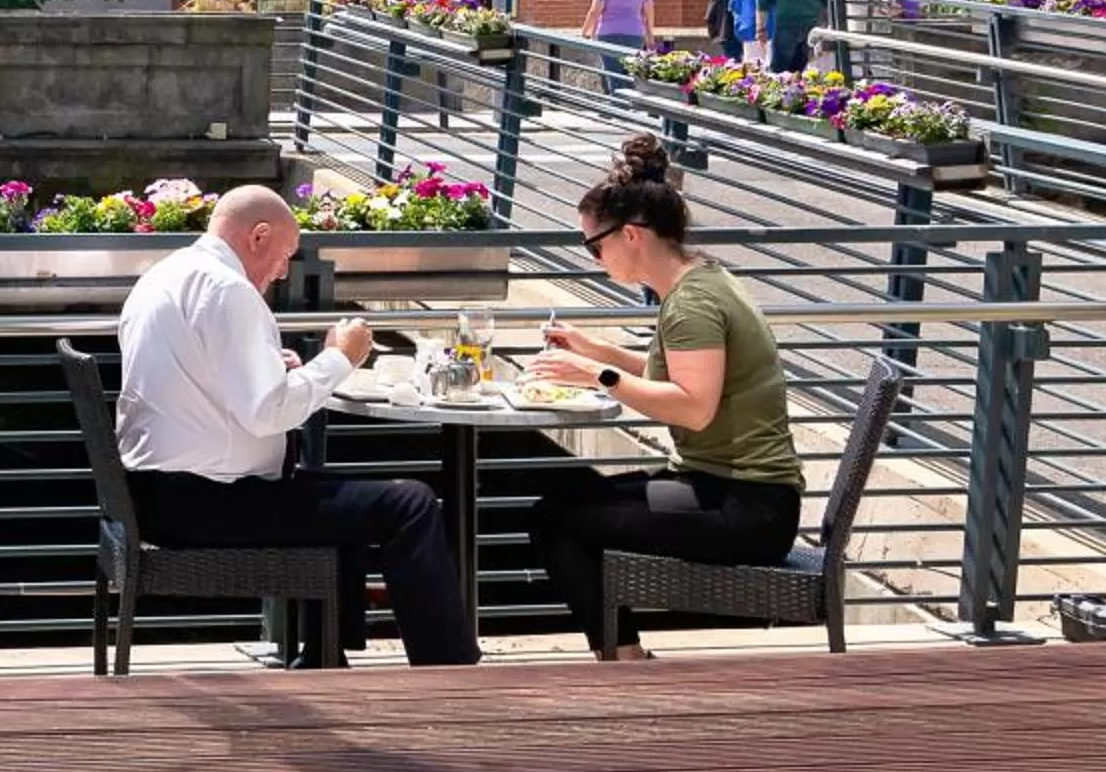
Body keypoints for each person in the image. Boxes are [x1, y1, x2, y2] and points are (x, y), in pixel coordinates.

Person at [113, 185, 480, 667]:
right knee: (408, 504)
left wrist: (274, 366)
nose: (285, 271)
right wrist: (339, 357)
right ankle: (448, 672)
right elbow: (268, 414)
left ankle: (326, 655)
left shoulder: (164, 275)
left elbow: (201, 376)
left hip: (156, 495)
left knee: (343, 494)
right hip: (207, 501)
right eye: (285, 255)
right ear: (258, 236)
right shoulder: (229, 290)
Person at [522, 137, 805, 660]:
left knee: (555, 519)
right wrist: (598, 350)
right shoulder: (703, 280)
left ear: (630, 234)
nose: (595, 259)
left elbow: (693, 405)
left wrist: (598, 374)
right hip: (737, 492)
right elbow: (679, 371)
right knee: (568, 496)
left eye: (594, 246)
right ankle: (624, 654)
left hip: (746, 508)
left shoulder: (691, 304)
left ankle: (623, 661)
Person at [582, 0, 653, 91]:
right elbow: (649, 10)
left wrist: (586, 31)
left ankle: (617, 106)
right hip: (635, 34)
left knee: (612, 73)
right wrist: (649, 33)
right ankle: (629, 107)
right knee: (631, 71)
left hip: (609, 34)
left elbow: (594, 12)